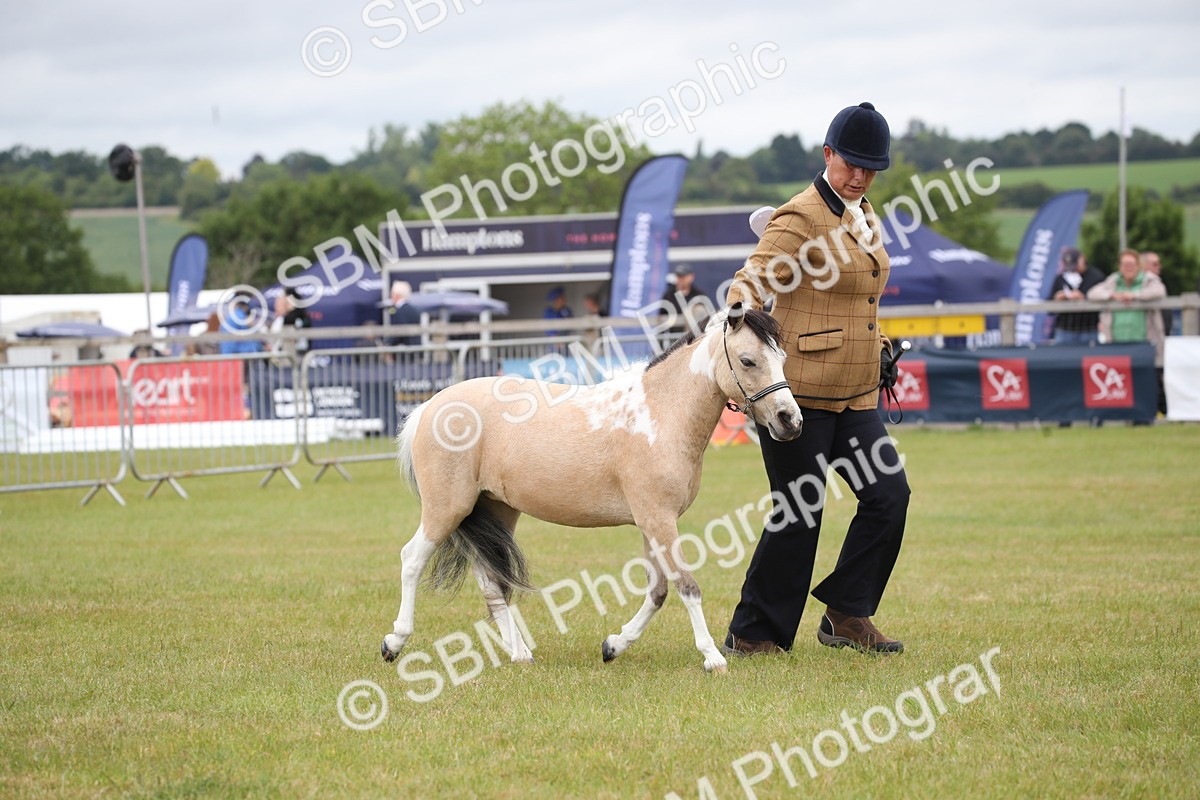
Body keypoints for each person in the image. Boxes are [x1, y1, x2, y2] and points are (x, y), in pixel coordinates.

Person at [721, 102, 908, 657]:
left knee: (889, 496)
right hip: (796, 395)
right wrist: (743, 349)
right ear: (828, 154)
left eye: (871, 168)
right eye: (852, 164)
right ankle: (754, 632)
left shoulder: (865, 214)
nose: (860, 176)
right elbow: (748, 286)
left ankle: (847, 613)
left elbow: (860, 298)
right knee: (800, 511)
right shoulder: (800, 217)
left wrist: (878, 349)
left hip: (855, 394)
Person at [1049, 247, 1105, 345]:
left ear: (1082, 259)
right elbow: (1049, 309)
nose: (1073, 270)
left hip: (1089, 330)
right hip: (1064, 330)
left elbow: (1103, 301)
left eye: (1075, 265)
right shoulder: (1061, 278)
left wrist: (1084, 298)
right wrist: (1056, 298)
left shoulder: (1096, 276)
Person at [1139, 251, 1174, 337]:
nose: (1159, 267)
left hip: (1162, 332)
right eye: (1155, 264)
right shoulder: (1138, 283)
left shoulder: (1157, 282)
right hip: (1146, 334)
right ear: (1143, 265)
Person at [270, 287, 311, 355]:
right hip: (288, 351)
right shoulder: (285, 318)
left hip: (296, 351)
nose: (277, 305)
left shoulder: (293, 317)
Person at [385, 280, 421, 346]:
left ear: (396, 295)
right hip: (415, 348)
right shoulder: (414, 310)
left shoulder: (399, 311)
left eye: (392, 294)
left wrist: (388, 344)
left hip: (404, 350)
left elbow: (398, 332)